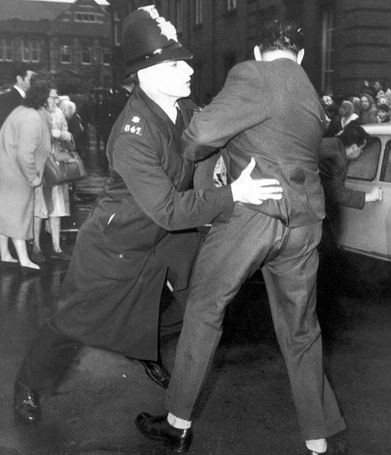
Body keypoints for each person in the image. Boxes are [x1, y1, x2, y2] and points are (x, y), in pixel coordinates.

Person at [13, 5, 281, 425]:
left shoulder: (185, 109)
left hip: (167, 239)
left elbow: (214, 140)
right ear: (148, 73)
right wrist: (234, 192)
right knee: (75, 323)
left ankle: (148, 351)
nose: (188, 68)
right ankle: (29, 383)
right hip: (118, 243)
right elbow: (170, 210)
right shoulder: (132, 135)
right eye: (176, 63)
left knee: (197, 303)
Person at [135, 18, 347, 455]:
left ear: (256, 51)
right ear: (301, 55)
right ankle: (318, 438)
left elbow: (198, 137)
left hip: (254, 214)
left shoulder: (253, 74)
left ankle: (177, 424)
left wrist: (207, 154)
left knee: (205, 308)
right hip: (305, 224)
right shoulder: (310, 89)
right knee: (301, 331)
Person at [0, 73, 55, 270]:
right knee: (19, 216)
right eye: (52, 96)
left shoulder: (23, 110)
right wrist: (32, 178)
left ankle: (5, 254)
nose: (55, 99)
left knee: (6, 214)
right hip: (18, 175)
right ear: (43, 96)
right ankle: (24, 259)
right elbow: (25, 154)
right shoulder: (32, 117)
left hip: (8, 170)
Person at [31, 99, 74, 263]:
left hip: (56, 164)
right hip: (40, 164)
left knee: (57, 207)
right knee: (39, 207)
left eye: (56, 97)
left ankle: (57, 248)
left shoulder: (59, 113)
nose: (54, 101)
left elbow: (68, 135)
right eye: (51, 96)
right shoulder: (35, 113)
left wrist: (62, 134)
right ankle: (36, 247)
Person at [319, 123, 383, 211]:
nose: (362, 152)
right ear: (353, 147)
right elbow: (338, 194)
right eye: (361, 148)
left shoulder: (332, 142)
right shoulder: (339, 160)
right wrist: (368, 197)